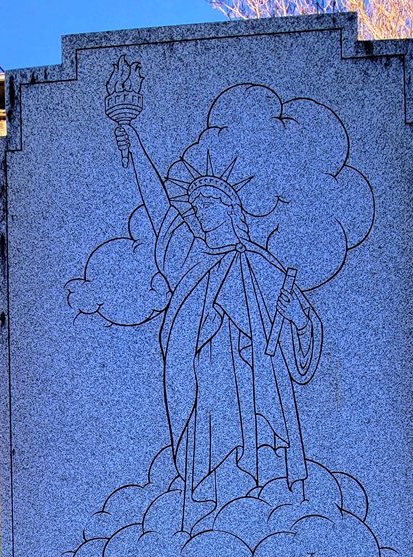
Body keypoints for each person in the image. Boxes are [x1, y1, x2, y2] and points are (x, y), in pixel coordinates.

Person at [115, 123, 323, 534]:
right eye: (194, 206)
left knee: (261, 482)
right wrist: (132, 137)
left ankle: (270, 525)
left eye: (206, 203)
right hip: (205, 390)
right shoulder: (192, 257)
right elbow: (160, 208)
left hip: (258, 391)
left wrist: (296, 319)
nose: (198, 212)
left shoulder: (260, 264)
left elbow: (305, 323)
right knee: (208, 485)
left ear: (229, 208)